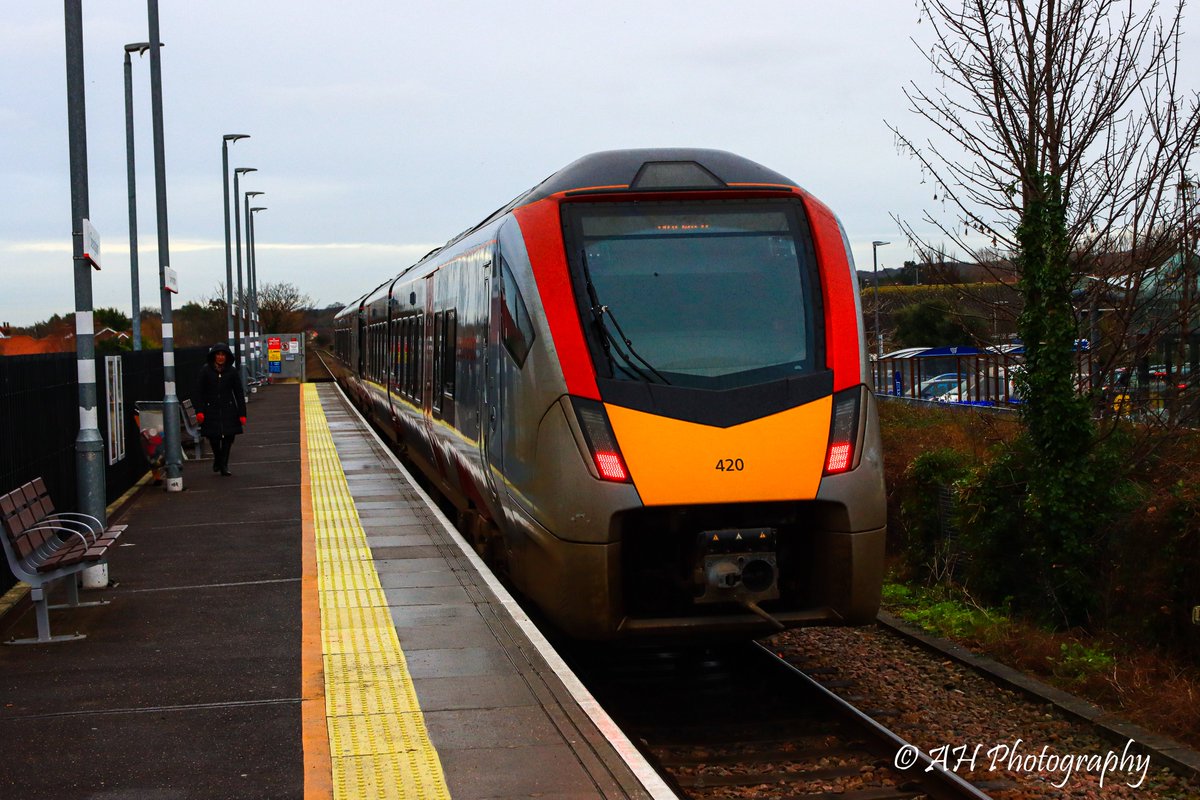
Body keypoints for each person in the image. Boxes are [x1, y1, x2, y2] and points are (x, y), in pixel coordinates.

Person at [194, 342, 247, 476]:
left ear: (227, 357)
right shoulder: (205, 371)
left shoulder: (232, 372)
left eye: (223, 355)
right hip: (211, 409)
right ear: (214, 356)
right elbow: (199, 392)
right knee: (214, 437)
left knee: (228, 437)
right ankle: (218, 458)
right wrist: (199, 410)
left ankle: (224, 465)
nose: (220, 357)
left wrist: (242, 413)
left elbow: (239, 392)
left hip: (229, 409)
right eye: (218, 354)